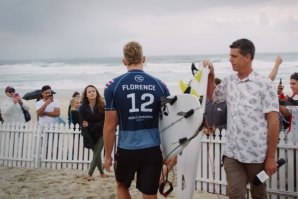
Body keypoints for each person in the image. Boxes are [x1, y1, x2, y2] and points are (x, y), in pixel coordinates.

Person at [207, 38, 279, 199]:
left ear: (247, 57)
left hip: (257, 156)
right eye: (230, 56)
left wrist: (271, 157)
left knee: (259, 194)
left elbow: (274, 122)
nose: (230, 59)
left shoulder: (264, 84)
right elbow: (212, 96)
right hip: (232, 153)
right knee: (234, 194)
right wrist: (211, 74)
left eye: (234, 56)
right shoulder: (229, 81)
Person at [103, 41, 170, 199]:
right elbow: (167, 121)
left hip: (127, 148)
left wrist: (107, 156)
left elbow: (110, 126)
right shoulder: (160, 85)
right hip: (152, 148)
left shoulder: (113, 86)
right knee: (149, 192)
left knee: (122, 185)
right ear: (144, 58)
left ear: (124, 61)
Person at [79, 85, 107, 181]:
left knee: (96, 153)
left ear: (96, 93)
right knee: (97, 154)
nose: (91, 93)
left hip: (102, 133)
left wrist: (90, 125)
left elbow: (105, 122)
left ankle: (89, 174)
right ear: (86, 95)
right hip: (90, 134)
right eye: (89, 92)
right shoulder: (82, 107)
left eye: (93, 91)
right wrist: (86, 132)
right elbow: (83, 123)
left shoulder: (102, 105)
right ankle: (102, 173)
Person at [279, 72, 298, 144]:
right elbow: (287, 113)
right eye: (290, 84)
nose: (291, 86)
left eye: (293, 83)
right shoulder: (293, 98)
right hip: (293, 137)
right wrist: (278, 104)